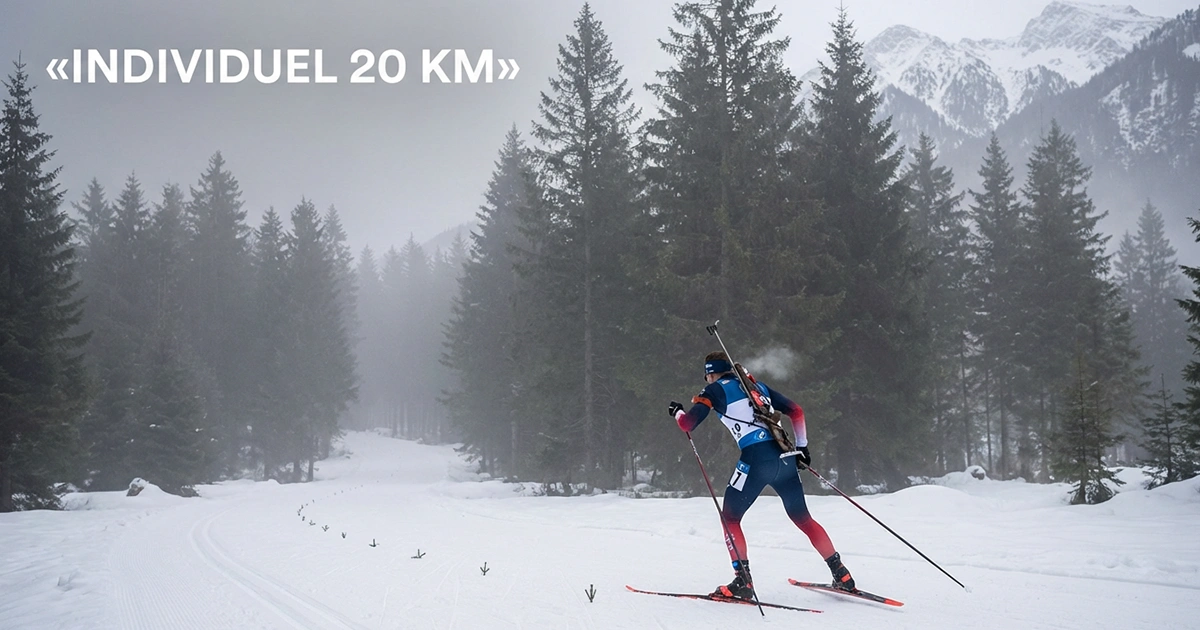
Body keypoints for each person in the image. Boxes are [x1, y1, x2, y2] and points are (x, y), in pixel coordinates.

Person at [669, 351, 854, 600]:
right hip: (785, 458)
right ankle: (842, 574)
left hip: (755, 460)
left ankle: (743, 582)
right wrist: (803, 448)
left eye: (707, 375)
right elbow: (796, 411)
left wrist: (678, 412)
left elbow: (687, 424)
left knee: (730, 519)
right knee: (803, 518)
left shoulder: (713, 390)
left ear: (711, 373)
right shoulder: (757, 387)